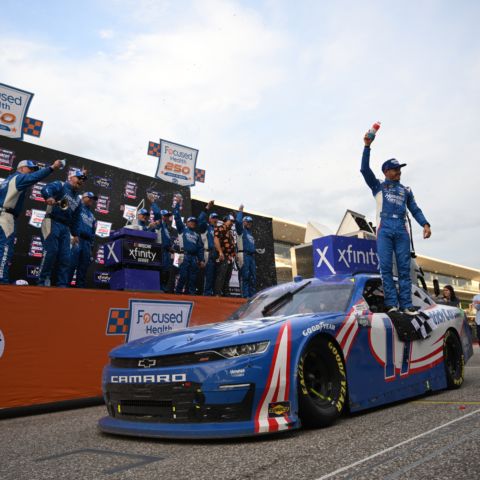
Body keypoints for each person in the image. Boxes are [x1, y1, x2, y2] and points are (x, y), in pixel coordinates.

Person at [361, 132, 431, 315]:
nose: (399, 171)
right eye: (395, 169)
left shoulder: (406, 190)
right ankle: (392, 304)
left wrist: (425, 224)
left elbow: (415, 209)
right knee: (385, 267)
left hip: (401, 229)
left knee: (404, 268)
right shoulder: (377, 186)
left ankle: (407, 305)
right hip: (384, 229)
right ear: (386, 172)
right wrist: (367, 146)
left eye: (399, 169)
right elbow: (364, 170)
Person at [0, 159, 63, 284]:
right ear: (22, 168)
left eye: (33, 170)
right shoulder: (19, 178)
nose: (32, 172)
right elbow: (35, 178)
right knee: (5, 249)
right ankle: (2, 282)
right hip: (6, 217)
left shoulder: (7, 180)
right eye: (30, 169)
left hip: (2, 213)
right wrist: (52, 167)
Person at [38, 169, 86, 287]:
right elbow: (46, 188)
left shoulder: (78, 200)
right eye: (79, 177)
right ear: (71, 177)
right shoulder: (61, 184)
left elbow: (76, 218)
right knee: (51, 251)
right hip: (52, 221)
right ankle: (42, 282)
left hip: (65, 228)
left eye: (83, 180)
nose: (80, 181)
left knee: (65, 258)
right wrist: (48, 196)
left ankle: (62, 285)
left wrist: (75, 234)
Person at [173, 207, 205, 295]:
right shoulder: (182, 229)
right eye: (191, 221)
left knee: (193, 278)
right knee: (182, 276)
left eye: (194, 222)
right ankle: (178, 292)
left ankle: (191, 294)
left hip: (194, 257)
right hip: (183, 255)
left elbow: (200, 248)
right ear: (187, 223)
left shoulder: (197, 235)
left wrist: (201, 260)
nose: (193, 223)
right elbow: (177, 218)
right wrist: (177, 206)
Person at [69, 192, 98, 288]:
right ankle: (64, 287)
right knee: (71, 264)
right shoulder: (77, 208)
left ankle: (79, 289)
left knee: (83, 268)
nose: (91, 200)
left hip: (87, 243)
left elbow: (93, 233)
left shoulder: (92, 216)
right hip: (76, 238)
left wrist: (91, 247)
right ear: (83, 198)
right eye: (89, 198)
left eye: (93, 199)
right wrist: (72, 235)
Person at [198, 200, 219, 296]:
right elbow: (200, 220)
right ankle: (206, 295)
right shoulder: (206, 227)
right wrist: (207, 208)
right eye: (213, 218)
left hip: (216, 255)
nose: (215, 219)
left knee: (215, 277)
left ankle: (212, 295)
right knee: (208, 277)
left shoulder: (217, 230)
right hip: (208, 253)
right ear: (210, 219)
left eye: (216, 218)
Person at [235, 205, 256, 298]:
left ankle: (252, 296)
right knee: (245, 276)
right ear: (243, 222)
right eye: (247, 221)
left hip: (251, 257)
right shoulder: (241, 230)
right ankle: (245, 297)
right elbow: (238, 222)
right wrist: (240, 212)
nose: (249, 223)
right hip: (243, 255)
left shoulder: (250, 233)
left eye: (250, 222)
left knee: (252, 277)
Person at [214, 214, 236, 296]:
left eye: (233, 222)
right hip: (222, 256)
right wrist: (220, 252)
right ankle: (217, 293)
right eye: (231, 221)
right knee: (221, 275)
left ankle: (226, 293)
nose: (232, 223)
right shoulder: (220, 228)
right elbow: (216, 240)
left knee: (228, 276)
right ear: (226, 220)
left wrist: (233, 255)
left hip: (230, 257)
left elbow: (232, 245)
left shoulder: (230, 233)